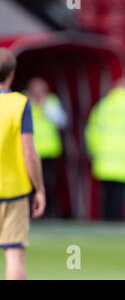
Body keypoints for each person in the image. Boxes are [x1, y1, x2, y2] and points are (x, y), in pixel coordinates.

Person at [0, 48, 46, 279]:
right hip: (12, 189)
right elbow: (29, 151)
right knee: (14, 255)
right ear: (12, 73)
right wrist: (39, 188)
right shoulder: (19, 104)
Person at [85, 78, 125, 221]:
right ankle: (118, 222)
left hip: (104, 161)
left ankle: (104, 222)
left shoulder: (103, 105)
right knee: (122, 198)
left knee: (106, 196)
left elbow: (91, 132)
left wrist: (95, 152)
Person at [24, 77, 68, 218]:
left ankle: (47, 213)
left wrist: (43, 105)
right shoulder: (24, 102)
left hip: (48, 152)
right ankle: (30, 213)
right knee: (28, 184)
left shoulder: (51, 102)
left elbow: (62, 121)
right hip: (29, 151)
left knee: (48, 184)